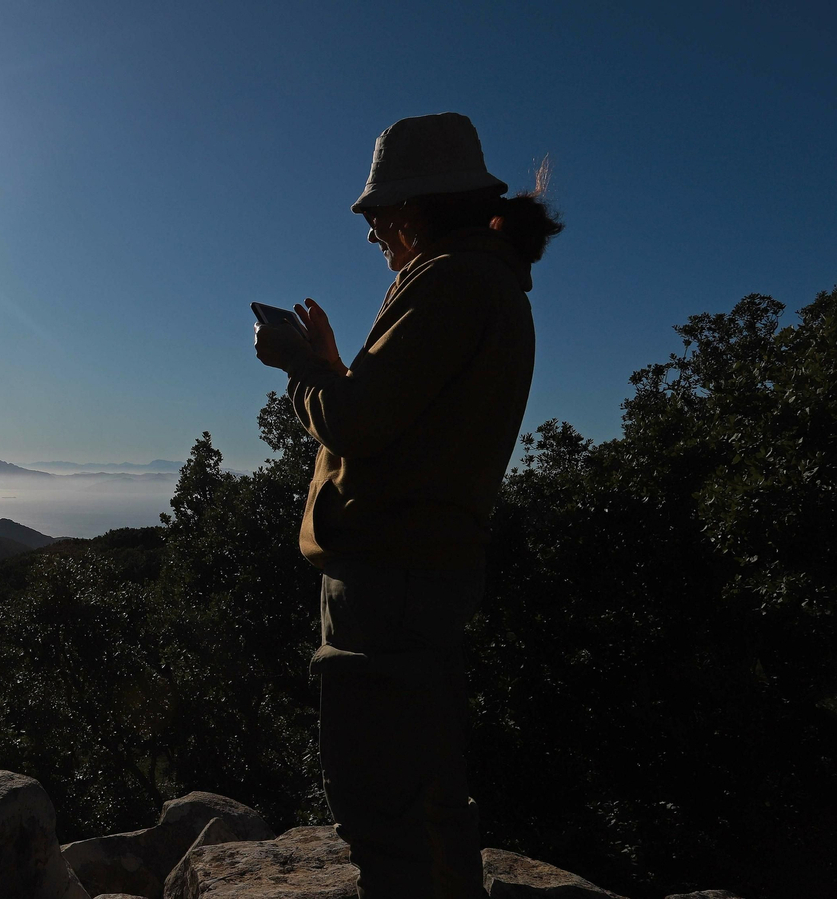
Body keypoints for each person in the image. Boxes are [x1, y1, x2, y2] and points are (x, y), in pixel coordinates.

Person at [253, 112, 563, 899]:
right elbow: (399, 417)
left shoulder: (452, 279)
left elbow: (360, 424)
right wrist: (333, 367)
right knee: (428, 790)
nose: (371, 233)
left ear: (415, 208)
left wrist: (298, 368)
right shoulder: (484, 280)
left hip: (387, 585)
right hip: (422, 575)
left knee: (379, 798)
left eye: (377, 214)